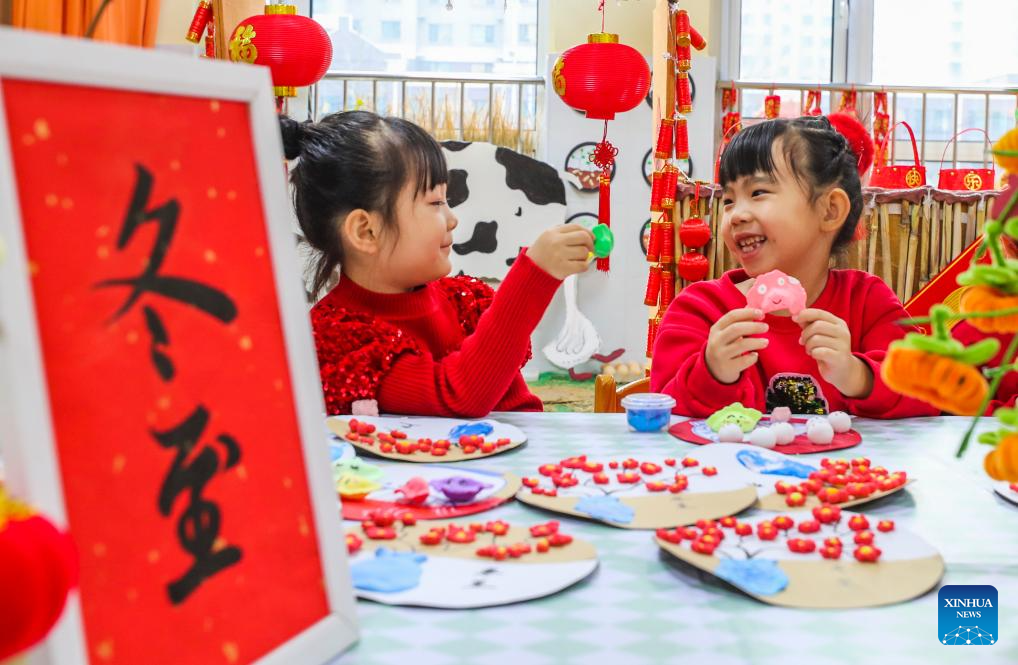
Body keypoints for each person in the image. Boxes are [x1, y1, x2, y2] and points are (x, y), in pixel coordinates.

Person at [282, 111, 593, 416]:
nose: (452, 218)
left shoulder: (463, 304)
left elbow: (521, 411)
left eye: (447, 200)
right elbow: (458, 394)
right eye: (435, 203)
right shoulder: (339, 340)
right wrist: (534, 276)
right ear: (366, 231)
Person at [650, 115, 938, 417]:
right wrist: (712, 371)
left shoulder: (866, 302)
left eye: (758, 192)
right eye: (729, 199)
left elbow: (928, 391)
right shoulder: (700, 309)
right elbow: (662, 413)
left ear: (830, 210)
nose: (736, 215)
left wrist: (857, 375)